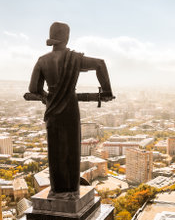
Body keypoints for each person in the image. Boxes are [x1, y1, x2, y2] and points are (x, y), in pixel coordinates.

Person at [28, 22, 113, 197]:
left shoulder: (42, 60)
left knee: (55, 149)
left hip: (52, 110)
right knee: (72, 148)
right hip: (70, 109)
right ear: (66, 37)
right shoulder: (74, 59)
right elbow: (100, 64)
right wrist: (106, 91)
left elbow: (33, 89)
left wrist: (48, 97)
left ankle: (57, 188)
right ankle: (72, 188)